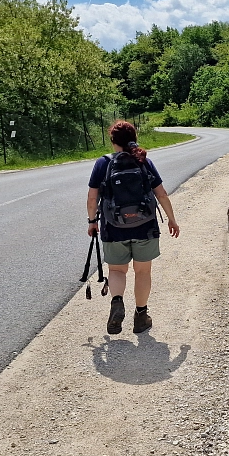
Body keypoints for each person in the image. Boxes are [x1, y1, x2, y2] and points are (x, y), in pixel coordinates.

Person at [87, 121, 180, 335]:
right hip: (144, 226)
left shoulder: (103, 163)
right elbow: (162, 194)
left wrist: (92, 222)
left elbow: (92, 197)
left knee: (117, 270)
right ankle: (141, 316)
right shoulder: (143, 161)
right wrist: (172, 220)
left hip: (113, 227)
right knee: (143, 271)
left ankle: (117, 302)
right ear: (134, 137)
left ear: (113, 141)